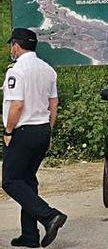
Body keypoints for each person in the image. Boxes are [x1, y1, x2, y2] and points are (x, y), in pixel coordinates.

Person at [2, 28, 67, 248]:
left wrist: (8, 131)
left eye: (12, 45)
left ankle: (49, 216)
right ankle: (30, 235)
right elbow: (53, 103)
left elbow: (16, 105)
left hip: (22, 131)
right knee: (27, 181)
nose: (11, 49)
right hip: (41, 129)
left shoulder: (16, 71)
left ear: (17, 46)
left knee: (10, 181)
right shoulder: (48, 70)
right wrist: (49, 130)